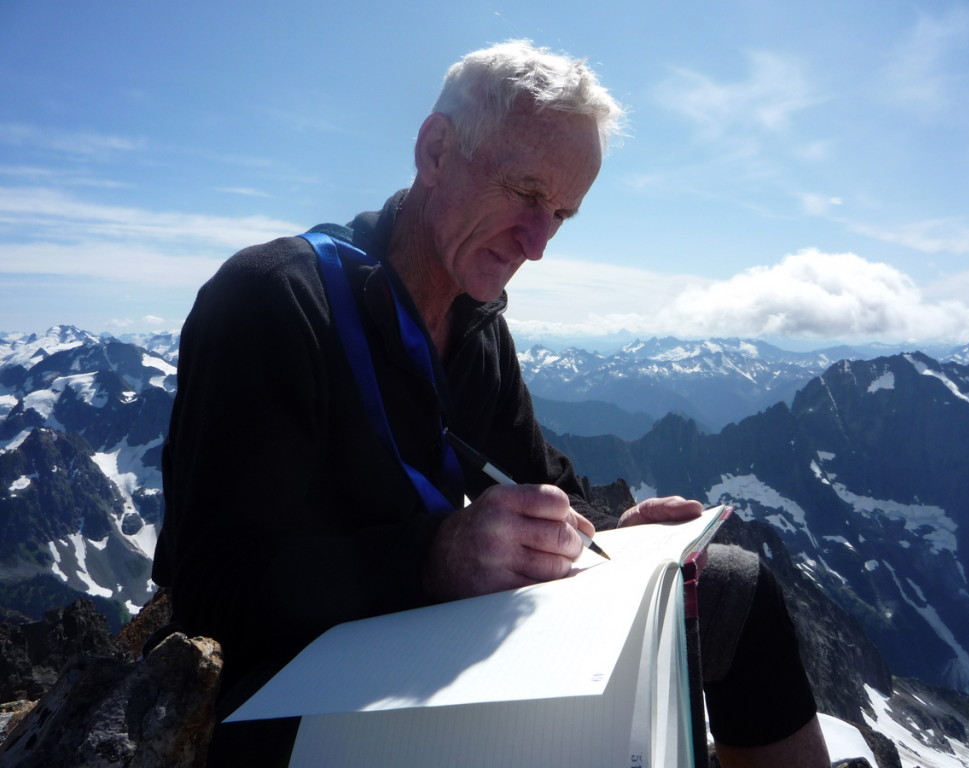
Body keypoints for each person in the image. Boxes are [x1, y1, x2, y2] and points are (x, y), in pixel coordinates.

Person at [152, 40, 829, 767]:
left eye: (562, 214)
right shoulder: (274, 299)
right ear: (436, 152)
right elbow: (212, 591)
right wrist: (435, 557)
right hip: (293, 705)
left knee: (734, 591)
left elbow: (540, 480)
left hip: (427, 655)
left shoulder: (476, 329)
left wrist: (615, 533)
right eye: (527, 192)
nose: (538, 244)